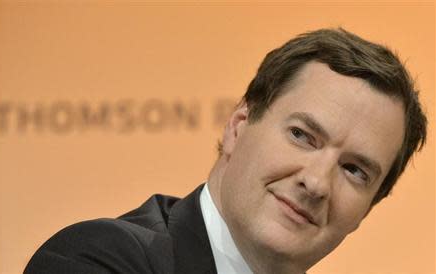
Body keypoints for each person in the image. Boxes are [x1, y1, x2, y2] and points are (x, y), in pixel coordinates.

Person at [24, 28, 427, 274]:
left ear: (368, 208)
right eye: (303, 135)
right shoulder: (97, 260)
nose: (316, 182)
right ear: (238, 127)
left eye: (355, 170)